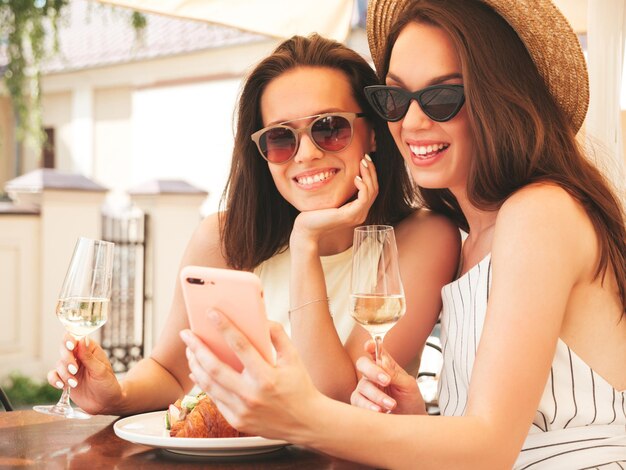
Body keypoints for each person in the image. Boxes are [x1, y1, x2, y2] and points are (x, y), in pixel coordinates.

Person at [180, 0, 626, 467]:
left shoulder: (541, 212)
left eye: (443, 97)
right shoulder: (476, 238)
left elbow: (491, 448)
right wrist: (419, 416)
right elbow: (485, 435)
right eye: (395, 99)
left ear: (501, 97)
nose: (412, 123)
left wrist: (301, 415)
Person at [46, 34, 460, 413]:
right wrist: (114, 393)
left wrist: (306, 243)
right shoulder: (223, 239)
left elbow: (334, 397)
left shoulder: (423, 239)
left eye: (329, 128)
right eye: (281, 138)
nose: (306, 154)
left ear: (372, 133)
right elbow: (171, 374)